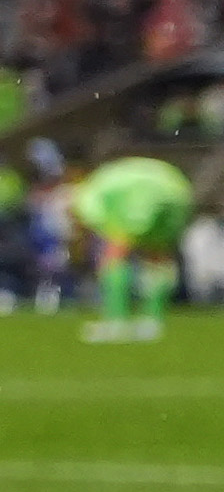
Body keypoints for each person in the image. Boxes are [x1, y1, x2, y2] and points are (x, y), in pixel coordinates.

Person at [65, 141, 191, 342]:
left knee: (114, 255)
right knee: (156, 254)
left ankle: (117, 322)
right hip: (176, 190)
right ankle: (153, 321)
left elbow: (87, 227)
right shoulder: (114, 173)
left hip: (139, 197)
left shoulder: (90, 191)